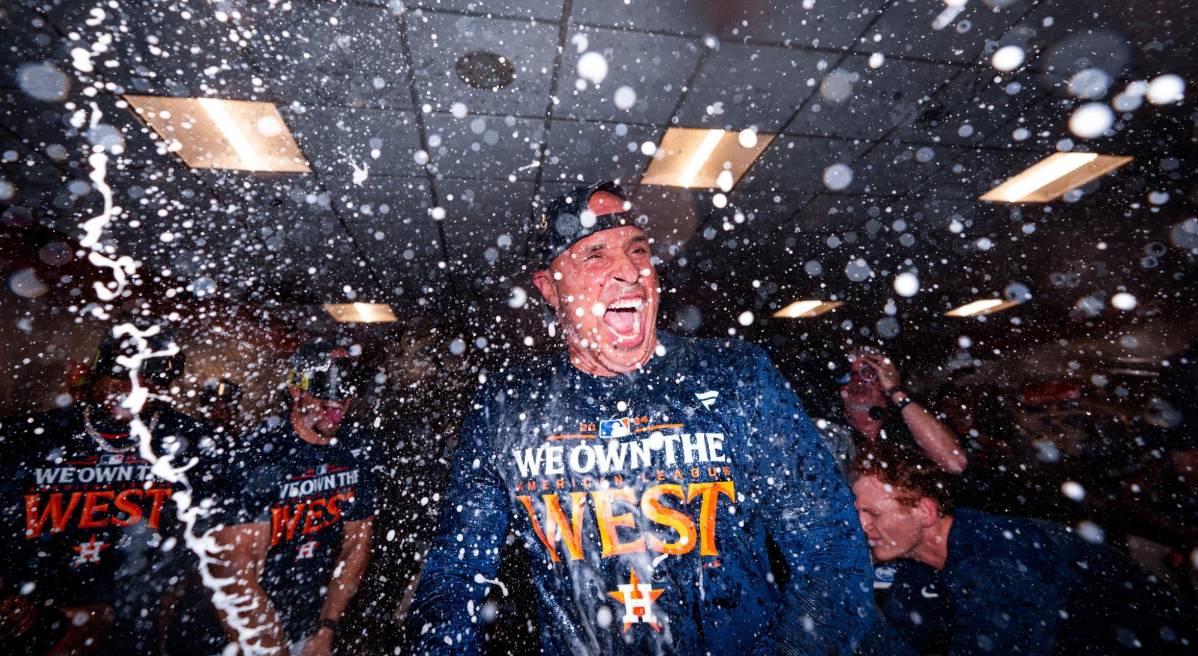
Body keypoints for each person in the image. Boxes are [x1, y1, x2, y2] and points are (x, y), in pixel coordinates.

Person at [406, 181, 873, 654]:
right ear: (550, 288)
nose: (629, 271)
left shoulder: (737, 377)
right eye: (595, 255)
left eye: (639, 250)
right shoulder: (508, 407)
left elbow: (832, 550)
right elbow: (455, 573)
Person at [0, 320, 223, 655]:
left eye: (149, 379)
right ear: (95, 371)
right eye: (121, 373)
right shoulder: (29, 438)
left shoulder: (190, 442)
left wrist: (167, 595)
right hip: (44, 618)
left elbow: (209, 531)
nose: (132, 389)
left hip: (137, 619)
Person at [851, 448, 1198, 655]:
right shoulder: (917, 564)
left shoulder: (1001, 555)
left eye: (874, 513)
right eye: (858, 514)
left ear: (926, 512)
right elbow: (897, 641)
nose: (861, 526)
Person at [209, 338, 376, 656]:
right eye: (325, 389)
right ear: (296, 389)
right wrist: (273, 648)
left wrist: (327, 628)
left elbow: (357, 541)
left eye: (346, 391)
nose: (337, 405)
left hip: (306, 627)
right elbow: (235, 573)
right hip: (239, 632)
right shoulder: (260, 453)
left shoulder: (355, 449)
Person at [830, 350, 967, 475]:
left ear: (883, 380)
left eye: (868, 373)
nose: (857, 381)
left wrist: (895, 391)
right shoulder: (829, 429)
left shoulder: (908, 424)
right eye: (848, 375)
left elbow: (954, 462)